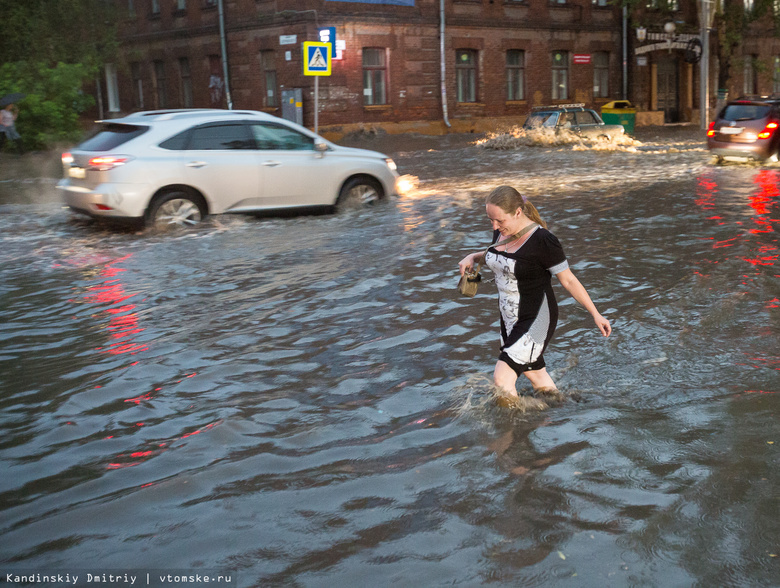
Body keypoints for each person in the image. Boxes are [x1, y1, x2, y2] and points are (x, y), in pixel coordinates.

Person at [458, 185, 611, 405]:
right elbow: (497, 255)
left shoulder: (544, 241)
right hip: (509, 318)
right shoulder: (502, 231)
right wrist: (473, 256)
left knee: (502, 378)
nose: (495, 226)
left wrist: (596, 314)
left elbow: (568, 280)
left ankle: (513, 433)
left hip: (536, 318)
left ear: (518, 212)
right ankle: (561, 411)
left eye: (499, 220)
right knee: (535, 374)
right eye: (490, 220)